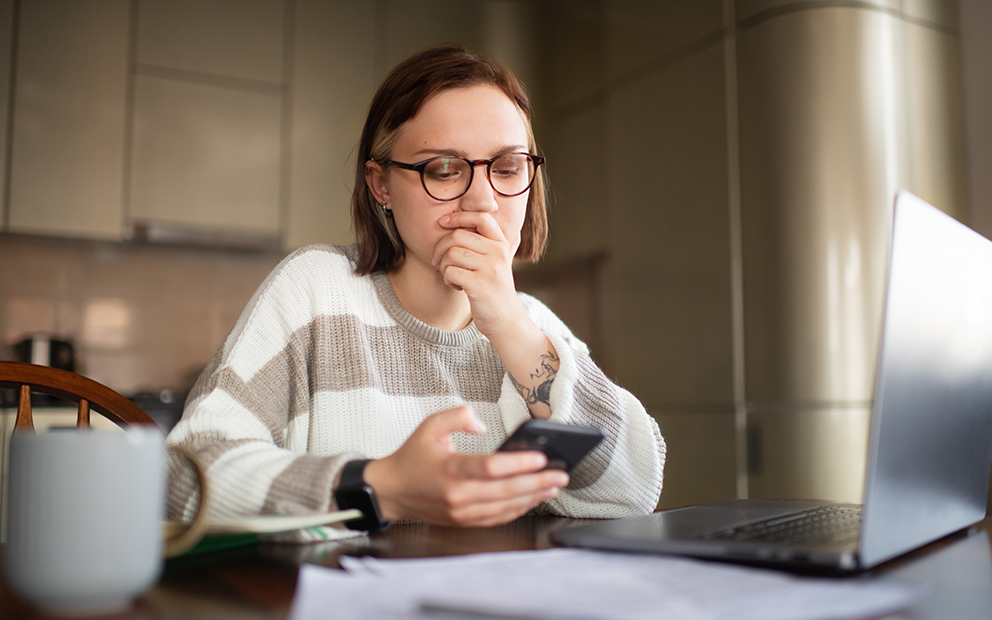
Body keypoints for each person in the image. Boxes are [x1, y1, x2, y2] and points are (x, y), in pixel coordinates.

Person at [166, 43, 665, 538]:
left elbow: (634, 490)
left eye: (508, 168)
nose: (483, 200)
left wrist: (512, 328)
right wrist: (382, 486)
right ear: (380, 185)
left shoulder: (532, 325)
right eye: (443, 169)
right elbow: (181, 478)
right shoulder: (314, 292)